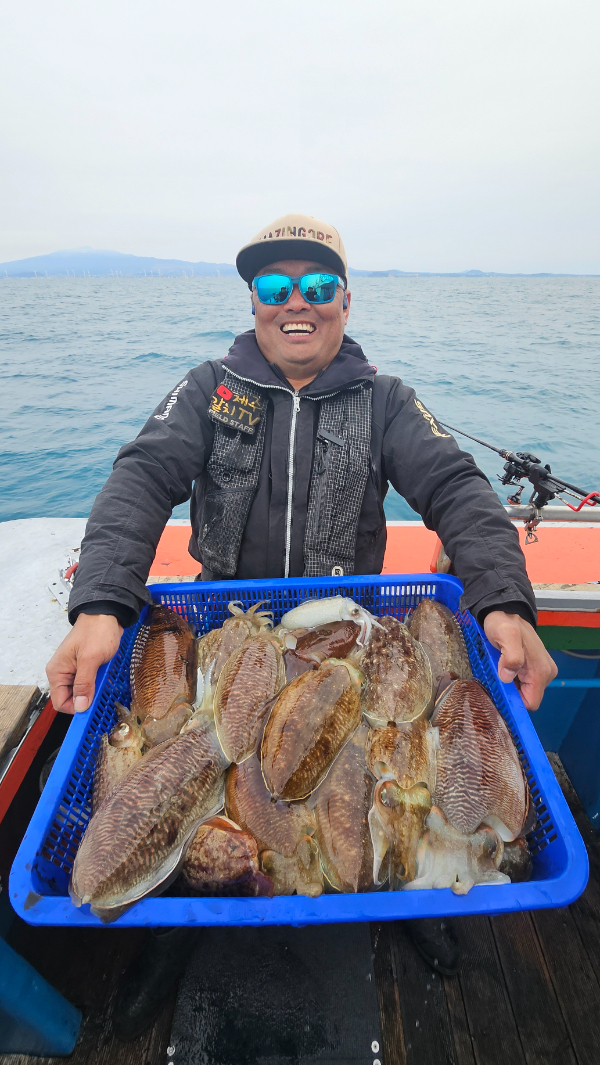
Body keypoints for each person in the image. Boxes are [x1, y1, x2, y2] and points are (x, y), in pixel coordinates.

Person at [46, 212, 557, 1039]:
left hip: (346, 633)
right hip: (229, 629)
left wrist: (505, 601)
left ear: (345, 301)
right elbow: (140, 478)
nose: (298, 302)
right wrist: (102, 605)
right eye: (276, 285)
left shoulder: (386, 400)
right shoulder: (208, 389)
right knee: (187, 776)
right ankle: (167, 924)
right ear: (253, 300)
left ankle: (414, 888)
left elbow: (457, 487)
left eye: (318, 286)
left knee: (391, 763)